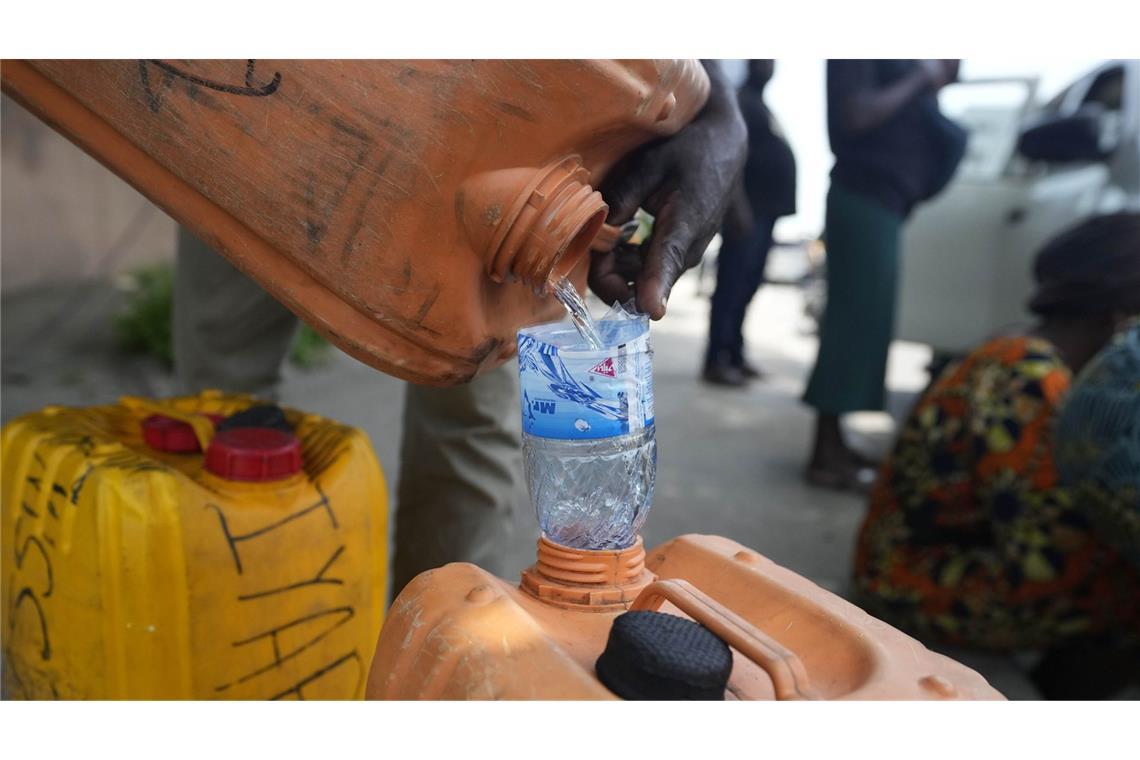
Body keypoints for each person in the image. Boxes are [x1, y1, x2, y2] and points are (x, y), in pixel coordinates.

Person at [174, 60, 747, 600]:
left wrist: (717, 103)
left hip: (503, 111)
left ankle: (432, 658)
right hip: (264, 91)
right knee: (223, 395)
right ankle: (234, 641)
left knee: (467, 414)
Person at [852, 214, 1140, 697]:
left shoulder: (1024, 352)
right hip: (909, 584)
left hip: (914, 563)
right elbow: (1045, 558)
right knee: (1126, 603)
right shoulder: (1028, 380)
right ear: (1119, 315)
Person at [804, 59, 966, 490]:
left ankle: (834, 443)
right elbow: (853, 116)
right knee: (852, 325)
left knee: (866, 325)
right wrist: (922, 77)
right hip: (864, 196)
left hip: (884, 203)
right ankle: (824, 456)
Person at [702, 60, 797, 387]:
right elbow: (730, 154)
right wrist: (736, 204)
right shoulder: (739, 99)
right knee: (730, 286)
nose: (767, 63)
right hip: (747, 213)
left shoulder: (761, 105)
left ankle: (735, 354)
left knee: (748, 286)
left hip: (766, 211)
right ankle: (715, 361)